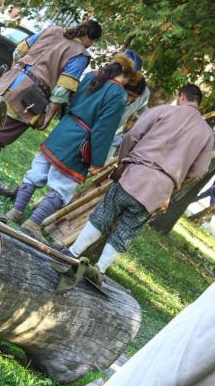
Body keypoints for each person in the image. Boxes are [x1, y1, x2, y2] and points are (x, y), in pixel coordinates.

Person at [68, 84, 214, 277]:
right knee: (127, 230)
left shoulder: (162, 111)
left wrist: (123, 162)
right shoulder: (206, 134)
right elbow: (200, 170)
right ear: (197, 102)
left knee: (104, 214)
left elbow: (132, 136)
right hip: (160, 191)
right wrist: (174, 180)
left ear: (181, 96)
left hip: (134, 173)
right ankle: (99, 270)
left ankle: (72, 253)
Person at [6, 53, 141, 240]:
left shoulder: (91, 76)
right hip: (79, 143)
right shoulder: (118, 95)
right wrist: (96, 161)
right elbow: (103, 130)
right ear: (132, 76)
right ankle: (33, 223)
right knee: (63, 188)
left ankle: (16, 211)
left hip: (63, 130)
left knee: (36, 172)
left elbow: (72, 103)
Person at [0, 20, 102, 163]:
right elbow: (62, 91)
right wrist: (48, 117)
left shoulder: (52, 30)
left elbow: (19, 51)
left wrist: (15, 74)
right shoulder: (80, 55)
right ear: (91, 38)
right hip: (28, 99)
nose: (91, 45)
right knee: (0, 135)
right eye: (94, 41)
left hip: (8, 85)